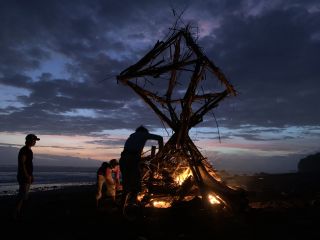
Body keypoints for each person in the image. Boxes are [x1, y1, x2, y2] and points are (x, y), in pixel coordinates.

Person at [119, 125, 163, 205]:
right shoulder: (144, 134)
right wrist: (161, 152)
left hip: (123, 159)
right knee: (136, 180)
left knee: (126, 182)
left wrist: (142, 158)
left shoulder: (132, 135)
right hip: (132, 159)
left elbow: (134, 152)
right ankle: (133, 200)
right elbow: (160, 138)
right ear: (144, 131)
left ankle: (123, 205)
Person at [13, 133, 40, 219]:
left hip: (27, 175)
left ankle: (20, 212)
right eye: (34, 140)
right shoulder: (25, 150)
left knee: (24, 195)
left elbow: (28, 164)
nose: (35, 142)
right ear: (29, 140)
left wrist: (31, 175)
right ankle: (16, 213)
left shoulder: (28, 150)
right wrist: (27, 175)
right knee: (22, 196)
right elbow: (22, 164)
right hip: (24, 176)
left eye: (35, 140)